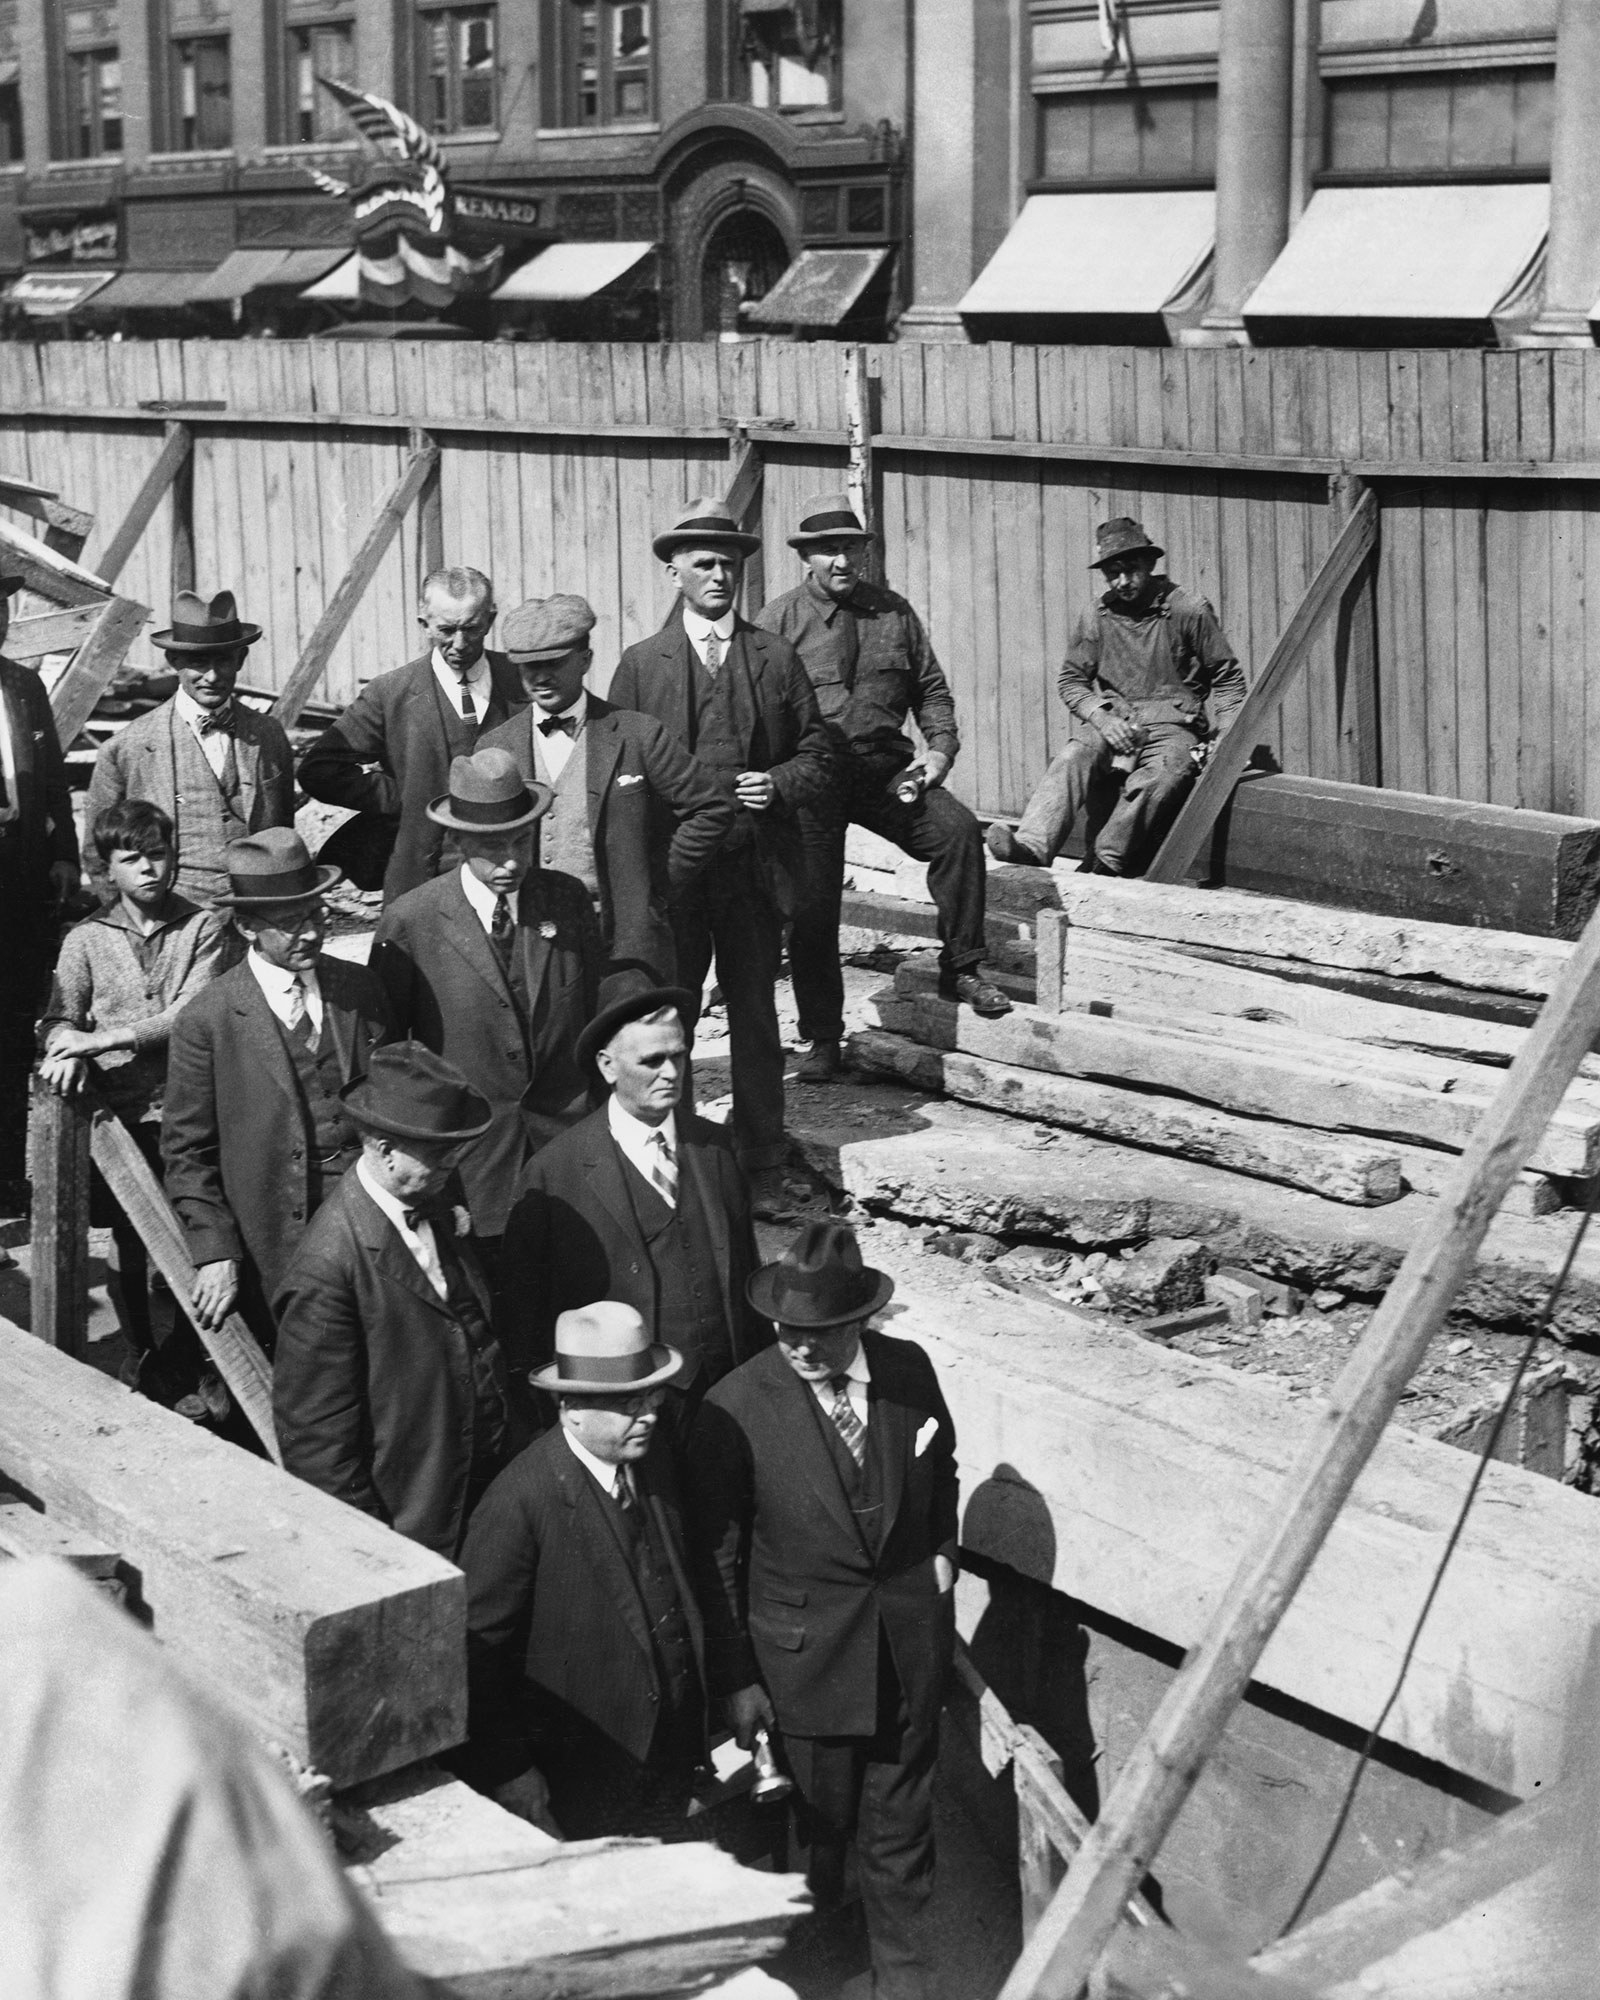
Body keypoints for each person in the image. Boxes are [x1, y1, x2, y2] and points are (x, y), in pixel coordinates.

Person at [687, 1222, 959, 2000]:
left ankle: (904, 1988)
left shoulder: (909, 1373)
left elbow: (945, 1469)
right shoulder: (734, 1406)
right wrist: (739, 1680)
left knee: (903, 1845)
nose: (799, 1348)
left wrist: (941, 1554)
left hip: (907, 1654)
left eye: (818, 1334)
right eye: (786, 1332)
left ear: (857, 1323)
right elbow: (719, 1557)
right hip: (803, 1671)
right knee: (818, 1847)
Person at [609, 498, 832, 1219]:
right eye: (702, 563)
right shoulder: (642, 666)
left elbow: (820, 751)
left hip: (752, 872)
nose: (718, 576)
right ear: (673, 572)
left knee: (756, 1017)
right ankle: (666, 1154)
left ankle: (762, 1159)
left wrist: (781, 782)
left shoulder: (774, 656)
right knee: (663, 1022)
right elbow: (617, 773)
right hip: (676, 878)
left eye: (729, 565)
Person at [758, 491, 1013, 1081]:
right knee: (814, 908)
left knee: (954, 832)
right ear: (807, 558)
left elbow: (932, 691)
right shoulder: (778, 622)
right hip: (813, 776)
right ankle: (823, 1036)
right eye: (827, 551)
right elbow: (758, 710)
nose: (841, 561)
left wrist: (940, 751)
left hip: (884, 773)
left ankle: (963, 967)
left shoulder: (894, 614)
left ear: (862, 553)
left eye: (849, 548)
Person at [459, 1301, 707, 1841]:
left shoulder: (652, 1457)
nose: (649, 1414)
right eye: (627, 1403)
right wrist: (511, 1769)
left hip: (669, 1754)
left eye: (652, 1395)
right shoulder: (519, 1504)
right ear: (568, 1407)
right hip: (585, 1776)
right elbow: (478, 1655)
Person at [273, 1041, 516, 1557]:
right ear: (384, 1150)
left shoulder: (430, 1198)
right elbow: (318, 1450)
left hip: (482, 1487)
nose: (456, 1163)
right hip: (416, 1524)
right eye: (440, 1153)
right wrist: (374, 1554)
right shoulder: (327, 1268)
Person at [162, 827, 394, 1354]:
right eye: (290, 925)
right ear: (246, 926)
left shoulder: (361, 989)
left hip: (370, 1215)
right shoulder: (209, 1020)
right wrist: (214, 1249)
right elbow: (186, 1151)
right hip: (276, 1232)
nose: (310, 934)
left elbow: (397, 1103)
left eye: (316, 915)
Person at [370, 748, 600, 1269]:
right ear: (457, 840)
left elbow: (591, 1023)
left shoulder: (566, 901)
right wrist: (430, 1180)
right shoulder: (411, 923)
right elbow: (393, 1062)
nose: (513, 861)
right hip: (471, 1172)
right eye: (494, 848)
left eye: (523, 841)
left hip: (567, 1154)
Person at [499, 982, 768, 1408]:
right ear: (607, 1066)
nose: (672, 1072)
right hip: (627, 1403)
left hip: (727, 1390)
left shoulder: (717, 1148)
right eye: (652, 1061)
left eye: (679, 1055)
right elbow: (525, 1314)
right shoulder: (555, 1173)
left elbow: (747, 1276)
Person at [38, 800, 226, 1379]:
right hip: (117, 1120)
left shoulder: (202, 926)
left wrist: (104, 1039)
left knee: (198, 1231)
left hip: (191, 1106)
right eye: (132, 859)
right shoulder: (87, 938)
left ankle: (204, 1361)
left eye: (159, 855)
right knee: (129, 1238)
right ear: (108, 869)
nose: (149, 869)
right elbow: (57, 1016)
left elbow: (191, 1013)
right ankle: (143, 1353)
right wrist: (64, 1042)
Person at [477, 593, 732, 988]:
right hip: (534, 936)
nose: (541, 678)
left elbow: (711, 809)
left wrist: (653, 886)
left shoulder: (636, 734)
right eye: (529, 667)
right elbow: (477, 839)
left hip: (622, 936)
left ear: (585, 659)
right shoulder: (497, 747)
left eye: (554, 663)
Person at [985, 517, 1245, 877]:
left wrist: (1226, 740)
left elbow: (1228, 678)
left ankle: (1106, 860)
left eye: (1130, 570)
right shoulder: (1097, 615)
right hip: (1115, 721)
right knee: (1073, 756)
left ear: (1149, 564)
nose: (1122, 582)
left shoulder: (1188, 609)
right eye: (1112, 574)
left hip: (1172, 726)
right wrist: (1102, 718)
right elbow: (1072, 680)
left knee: (1163, 775)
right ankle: (1031, 847)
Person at [298, 565, 525, 903]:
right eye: (447, 630)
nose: (460, 643)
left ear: (490, 620)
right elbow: (319, 771)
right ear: (424, 624)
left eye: (472, 629)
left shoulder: (521, 680)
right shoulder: (390, 694)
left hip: (511, 873)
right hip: (421, 878)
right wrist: (402, 795)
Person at [83, 588, 294, 908]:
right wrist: (139, 927)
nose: (211, 676)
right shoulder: (127, 748)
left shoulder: (269, 735)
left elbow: (283, 833)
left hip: (257, 915)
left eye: (223, 660)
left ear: (240, 659)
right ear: (174, 661)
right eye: (197, 662)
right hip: (172, 920)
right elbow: (98, 856)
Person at [0, 565, 81, 1204]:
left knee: (13, 1024)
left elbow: (53, 782)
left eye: (1, 609)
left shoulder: (24, 687)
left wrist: (64, 858)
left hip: (20, 878)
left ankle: (6, 1176)